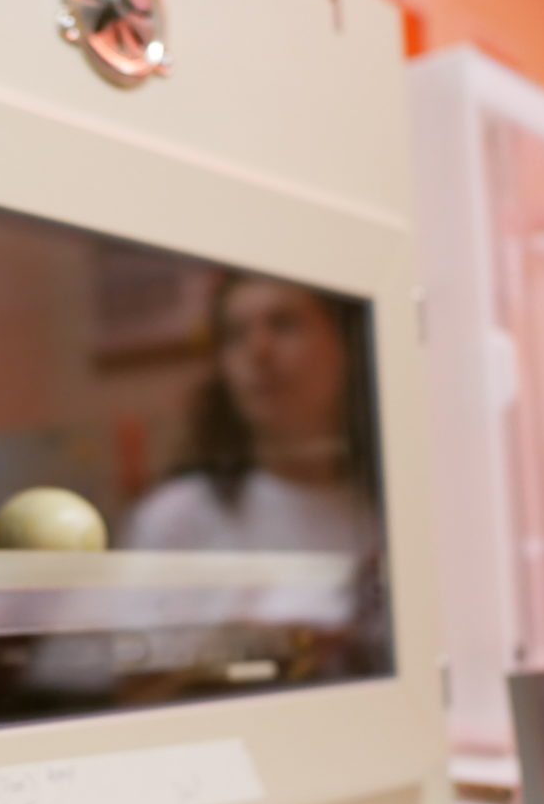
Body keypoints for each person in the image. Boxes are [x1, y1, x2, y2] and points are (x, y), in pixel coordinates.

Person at [123, 273, 388, 675]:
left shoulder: (393, 505)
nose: (258, 350)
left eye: (284, 324)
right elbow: (132, 694)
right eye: (234, 335)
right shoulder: (177, 518)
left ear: (345, 346)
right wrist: (225, 658)